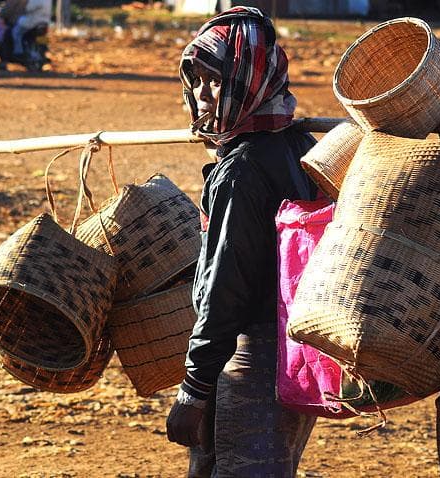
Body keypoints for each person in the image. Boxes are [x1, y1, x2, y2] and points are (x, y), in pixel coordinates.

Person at [166, 7, 318, 478]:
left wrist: (194, 388)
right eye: (197, 80)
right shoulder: (300, 144)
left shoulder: (242, 170)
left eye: (216, 80)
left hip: (251, 358)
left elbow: (225, 288)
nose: (202, 95)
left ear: (247, 82)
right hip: (296, 356)